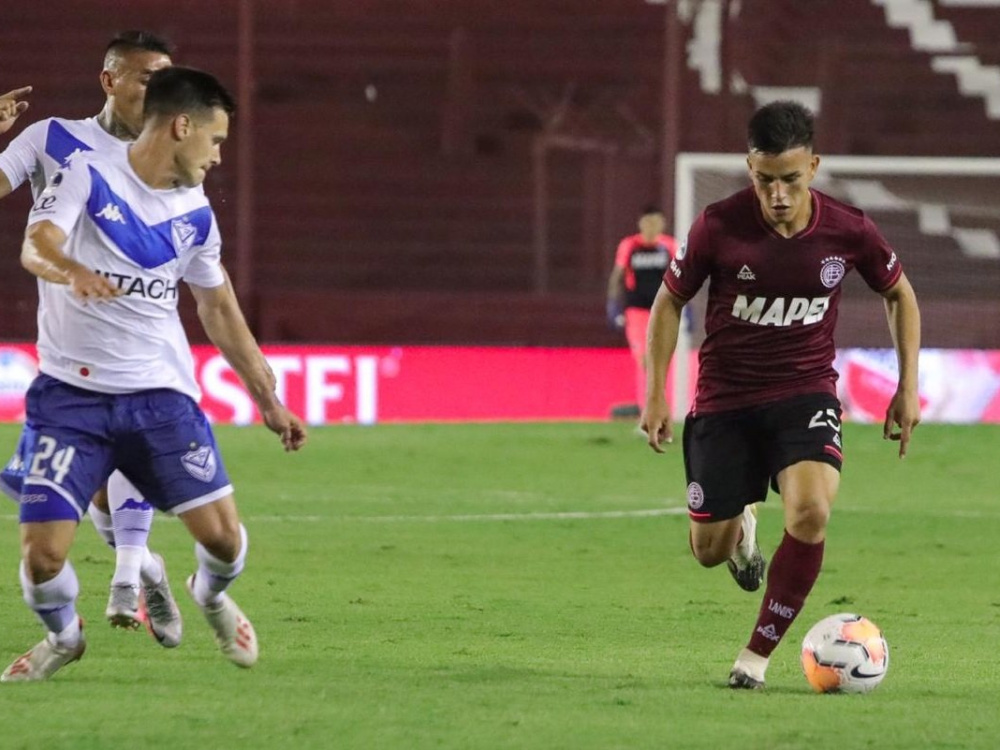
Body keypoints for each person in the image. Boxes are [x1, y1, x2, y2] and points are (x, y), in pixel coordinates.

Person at [1, 65, 307, 683]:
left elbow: (218, 308)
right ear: (183, 126)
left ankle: (212, 596)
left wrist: (268, 398)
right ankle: (64, 637)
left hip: (160, 399)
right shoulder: (86, 173)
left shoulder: (195, 215)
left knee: (223, 542)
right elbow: (37, 244)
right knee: (41, 559)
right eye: (216, 140)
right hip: (71, 398)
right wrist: (70, 271)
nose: (219, 156)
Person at [641, 100, 921, 690]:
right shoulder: (718, 225)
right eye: (765, 179)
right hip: (724, 400)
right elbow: (669, 301)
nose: (778, 195)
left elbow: (900, 294)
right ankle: (741, 530)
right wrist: (656, 393)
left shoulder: (848, 229)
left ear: (813, 167)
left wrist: (907, 387)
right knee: (708, 551)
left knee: (812, 511)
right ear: (750, 168)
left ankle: (756, 657)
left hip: (805, 392)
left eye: (790, 179)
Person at [0, 31, 181, 642]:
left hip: (139, 343)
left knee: (127, 433)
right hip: (67, 344)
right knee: (96, 497)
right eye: (146, 79)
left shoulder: (171, 160)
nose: (161, 92)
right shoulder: (50, 138)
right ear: (109, 81)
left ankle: (127, 577)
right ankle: (146, 565)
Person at [606, 206, 678, 431]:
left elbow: (681, 277)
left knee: (660, 362)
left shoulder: (669, 246)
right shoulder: (630, 246)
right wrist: (614, 306)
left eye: (656, 223)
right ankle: (647, 411)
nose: (651, 228)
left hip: (663, 310)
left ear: (662, 225)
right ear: (641, 225)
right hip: (636, 312)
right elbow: (617, 277)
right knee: (645, 361)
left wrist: (687, 309)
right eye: (647, 223)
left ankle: (659, 411)